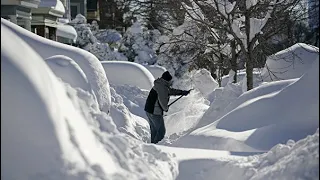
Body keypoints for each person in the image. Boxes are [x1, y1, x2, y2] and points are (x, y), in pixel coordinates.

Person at [144, 71, 191, 144]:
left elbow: (169, 91)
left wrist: (182, 92)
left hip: (149, 109)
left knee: (155, 130)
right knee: (161, 131)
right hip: (154, 111)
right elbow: (162, 100)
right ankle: (157, 147)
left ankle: (152, 146)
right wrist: (165, 108)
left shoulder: (160, 84)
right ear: (167, 80)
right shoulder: (162, 87)